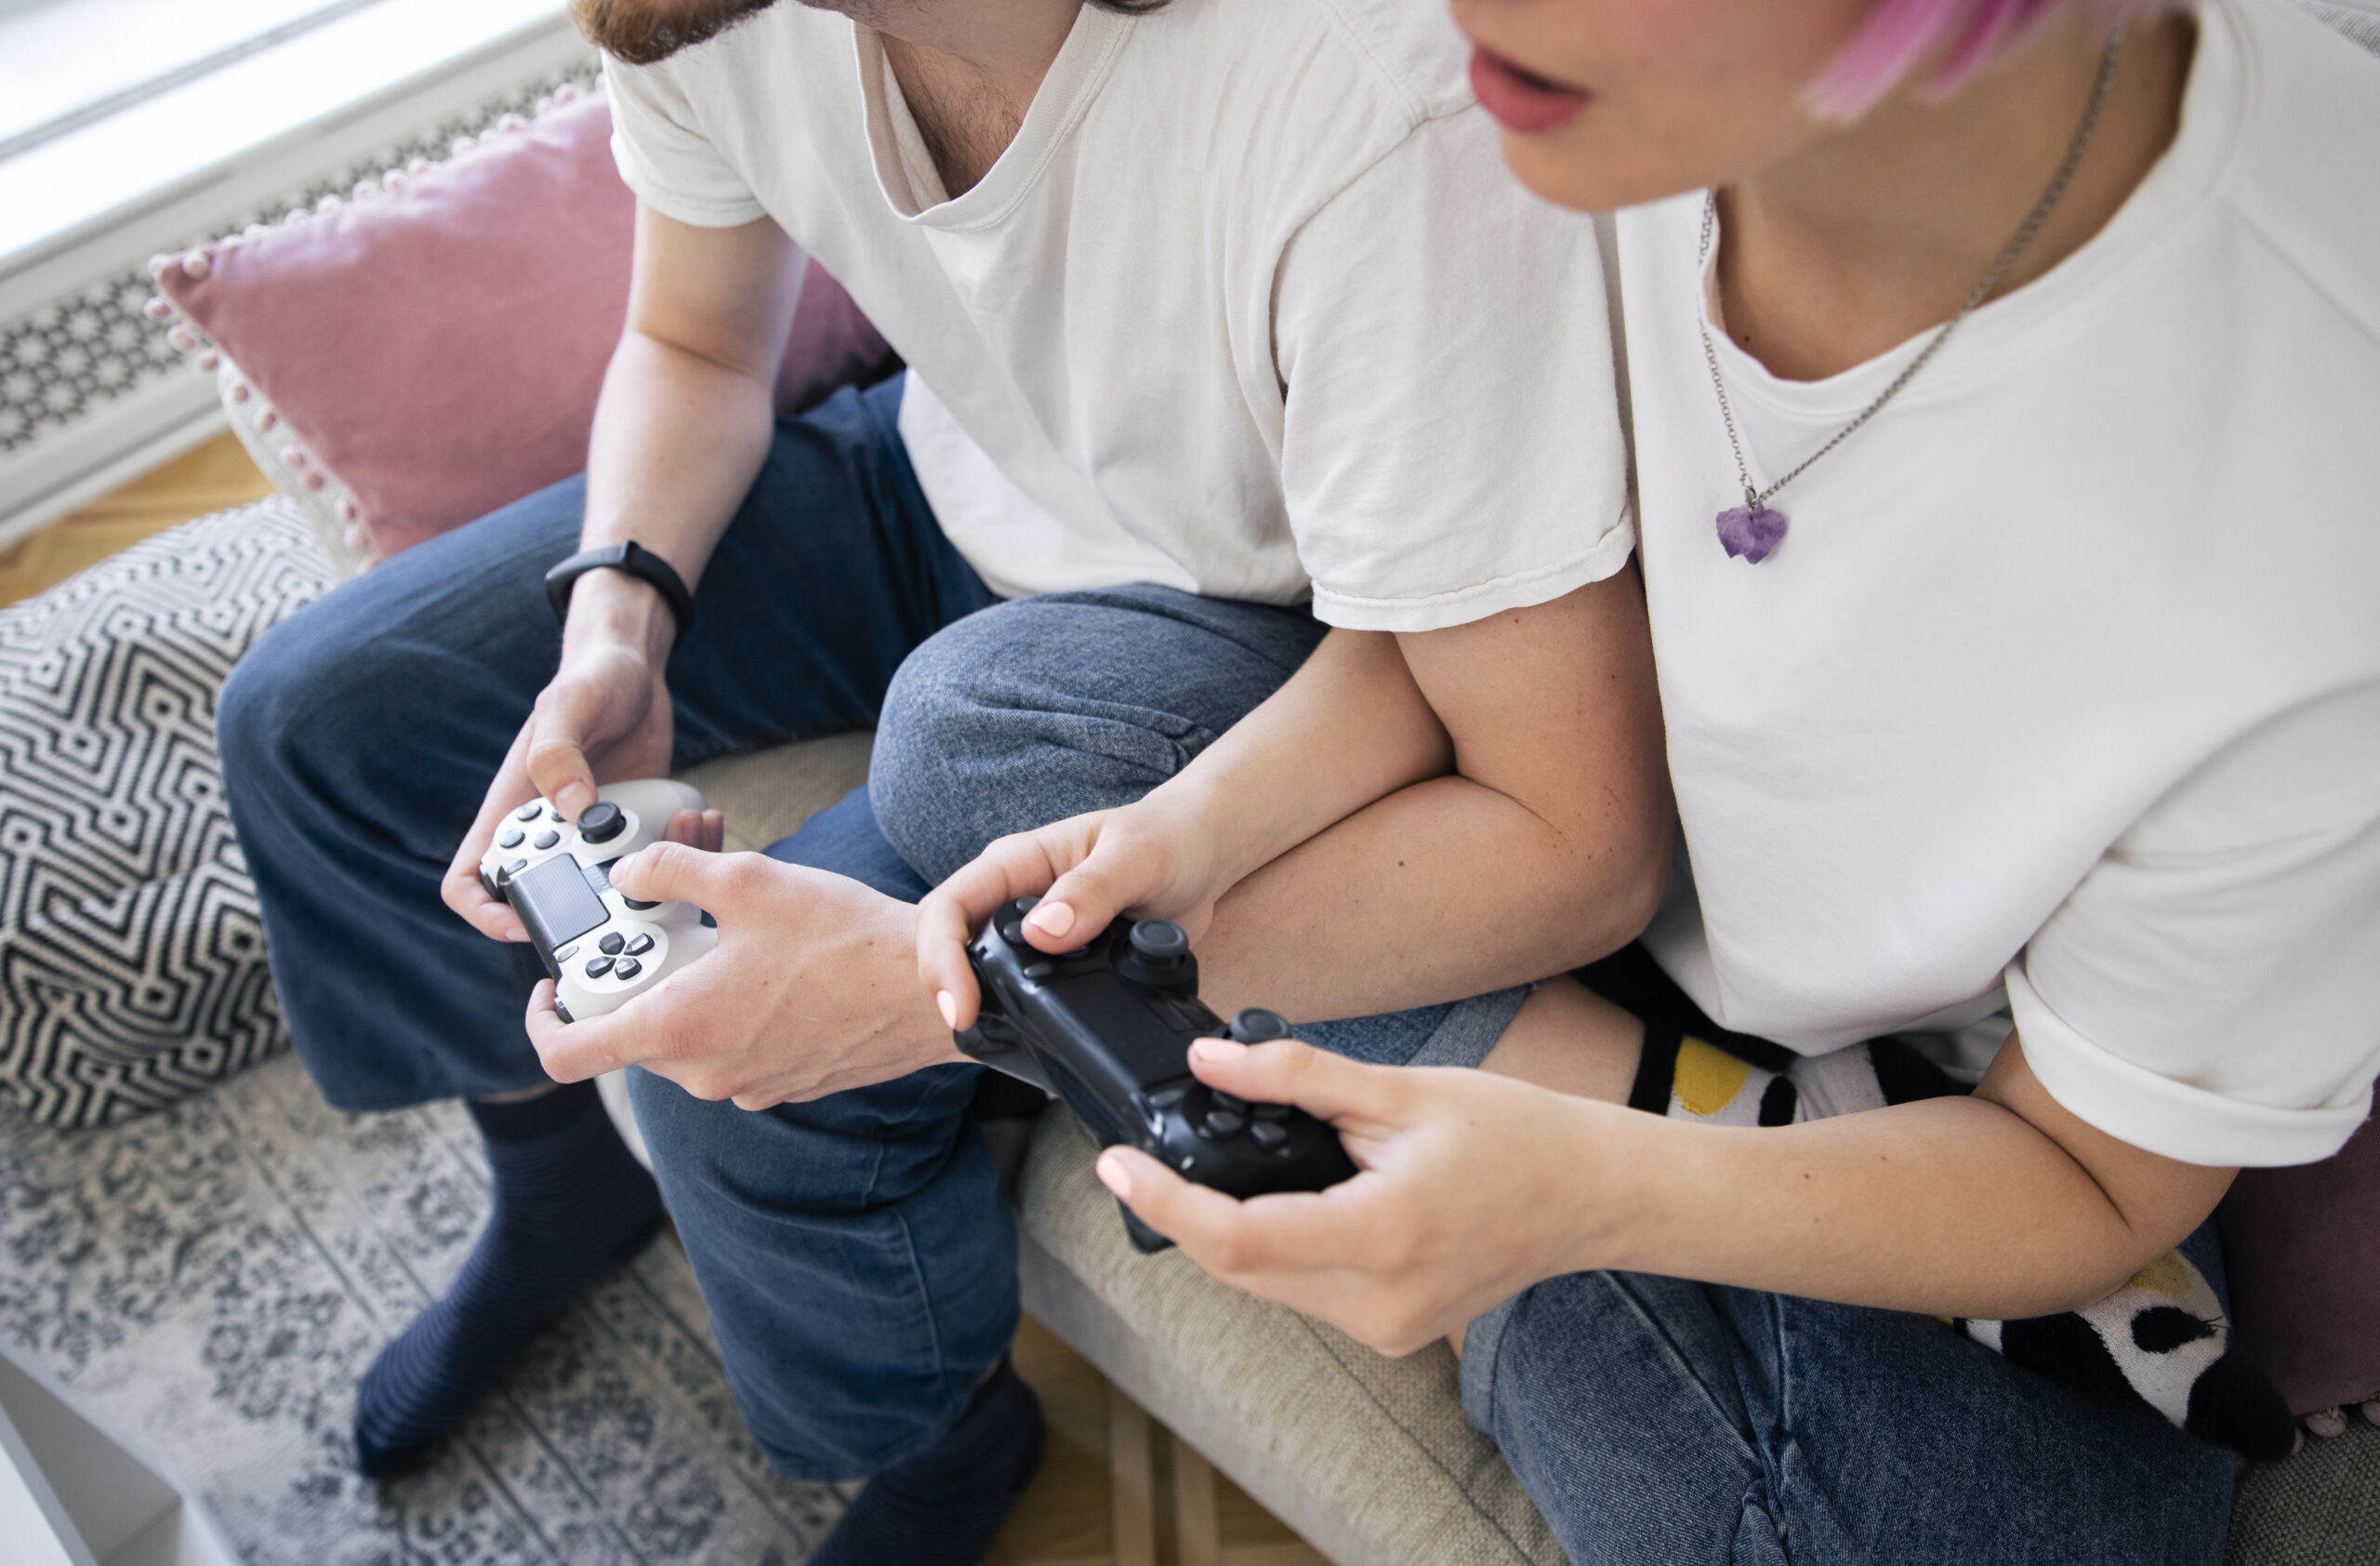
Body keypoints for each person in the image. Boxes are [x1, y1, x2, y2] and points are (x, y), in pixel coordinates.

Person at [903, 0, 2380, 1558]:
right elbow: (1470, 620)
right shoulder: (1549, 100)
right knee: (990, 729)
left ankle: (1526, 1205)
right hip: (1554, 838)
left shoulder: (2315, 490)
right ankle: (1556, 1165)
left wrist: (1581, 1191)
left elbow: (2088, 1175)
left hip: (1960, 1103)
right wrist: (1194, 835)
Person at [213, 0, 1673, 1557]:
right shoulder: (694, 15)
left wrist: (922, 994)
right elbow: (693, 339)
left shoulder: (1362, 101)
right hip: (944, 472)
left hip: (1235, 633)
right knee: (321, 719)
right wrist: (615, 635)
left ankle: (939, 1440)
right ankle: (557, 1182)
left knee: (726, 1084)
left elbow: (1576, 833)